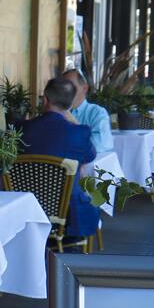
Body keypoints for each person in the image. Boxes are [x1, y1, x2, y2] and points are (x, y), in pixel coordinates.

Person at [18, 75, 102, 243]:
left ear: (45, 99)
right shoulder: (79, 133)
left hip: (26, 212)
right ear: (71, 104)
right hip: (69, 215)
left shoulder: (22, 129)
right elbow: (90, 157)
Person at [61, 67, 112, 154]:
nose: (65, 91)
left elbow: (101, 144)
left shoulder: (97, 113)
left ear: (85, 88)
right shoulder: (56, 111)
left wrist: (75, 123)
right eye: (62, 87)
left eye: (70, 86)